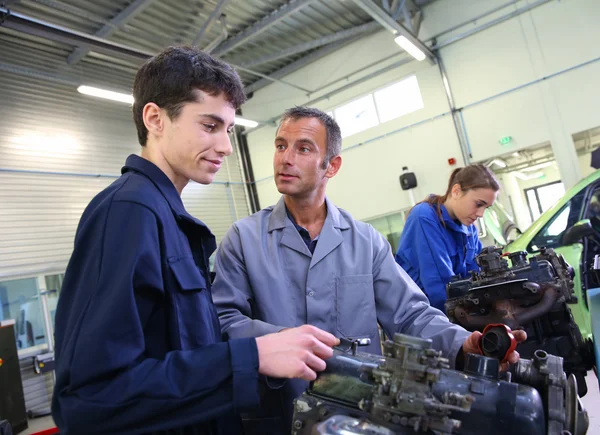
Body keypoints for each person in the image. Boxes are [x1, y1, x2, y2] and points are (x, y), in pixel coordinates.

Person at [51, 48, 339, 435]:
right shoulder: (127, 213)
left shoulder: (169, 218)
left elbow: (179, 349)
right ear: (155, 119)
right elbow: (88, 399)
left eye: (228, 129)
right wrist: (249, 357)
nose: (225, 146)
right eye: (209, 125)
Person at [211, 107, 524, 434]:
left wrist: (464, 344)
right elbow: (223, 320)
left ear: (331, 165)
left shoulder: (364, 240)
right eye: (280, 146)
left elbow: (409, 314)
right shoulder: (244, 239)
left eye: (303, 148)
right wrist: (278, 341)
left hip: (360, 413)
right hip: (280, 413)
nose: (285, 158)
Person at [395, 165, 500, 312]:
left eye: (486, 208)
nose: (481, 214)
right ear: (456, 191)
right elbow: (440, 287)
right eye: (478, 204)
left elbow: (478, 275)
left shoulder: (469, 228)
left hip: (453, 311)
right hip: (422, 317)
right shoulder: (424, 217)